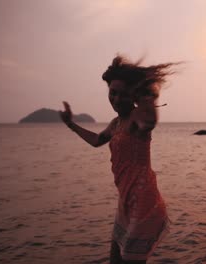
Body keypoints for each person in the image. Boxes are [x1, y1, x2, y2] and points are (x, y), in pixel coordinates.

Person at [60, 55, 176, 264]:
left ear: (133, 96)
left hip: (144, 204)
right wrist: (71, 124)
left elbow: (148, 121)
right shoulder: (116, 123)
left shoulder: (137, 118)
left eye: (123, 94)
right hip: (125, 203)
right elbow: (97, 140)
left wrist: (150, 95)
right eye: (112, 93)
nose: (116, 99)